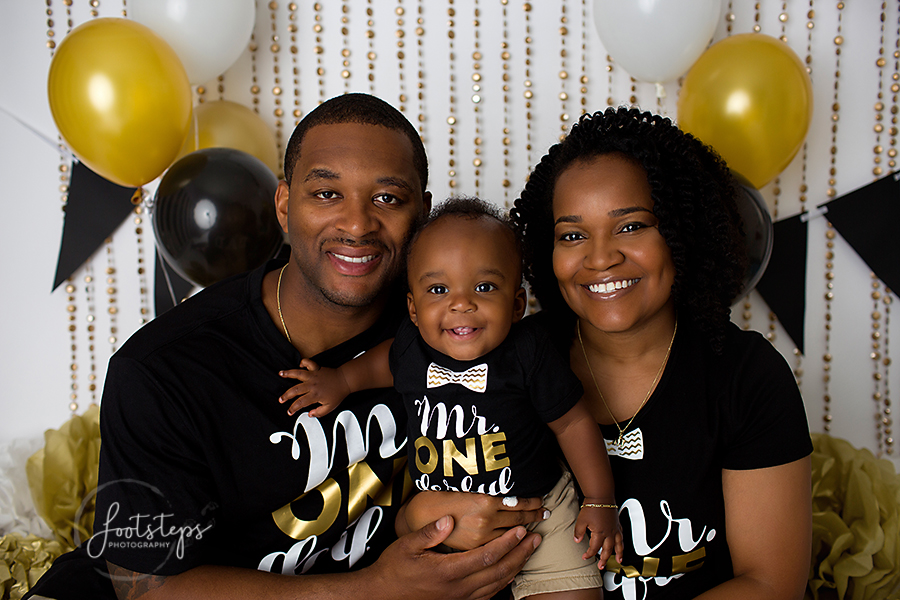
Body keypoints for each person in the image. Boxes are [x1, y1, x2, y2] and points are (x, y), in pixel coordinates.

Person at [24, 94, 543, 600]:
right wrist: (375, 591)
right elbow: (144, 589)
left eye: (388, 198)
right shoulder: (164, 369)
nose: (358, 224)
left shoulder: (457, 327)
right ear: (284, 204)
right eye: (326, 194)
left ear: (422, 215)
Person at [508, 107, 813, 599]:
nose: (601, 257)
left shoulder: (746, 376)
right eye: (572, 234)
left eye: (630, 226)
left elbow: (771, 583)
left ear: (678, 234)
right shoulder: (514, 360)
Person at [279, 197, 623, 599]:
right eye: (439, 289)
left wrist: (600, 499)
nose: (461, 303)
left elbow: (572, 422)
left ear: (517, 305)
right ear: (413, 307)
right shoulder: (412, 349)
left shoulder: (528, 352)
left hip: (539, 509)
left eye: (484, 287)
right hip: (445, 518)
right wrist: (340, 380)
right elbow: (382, 365)